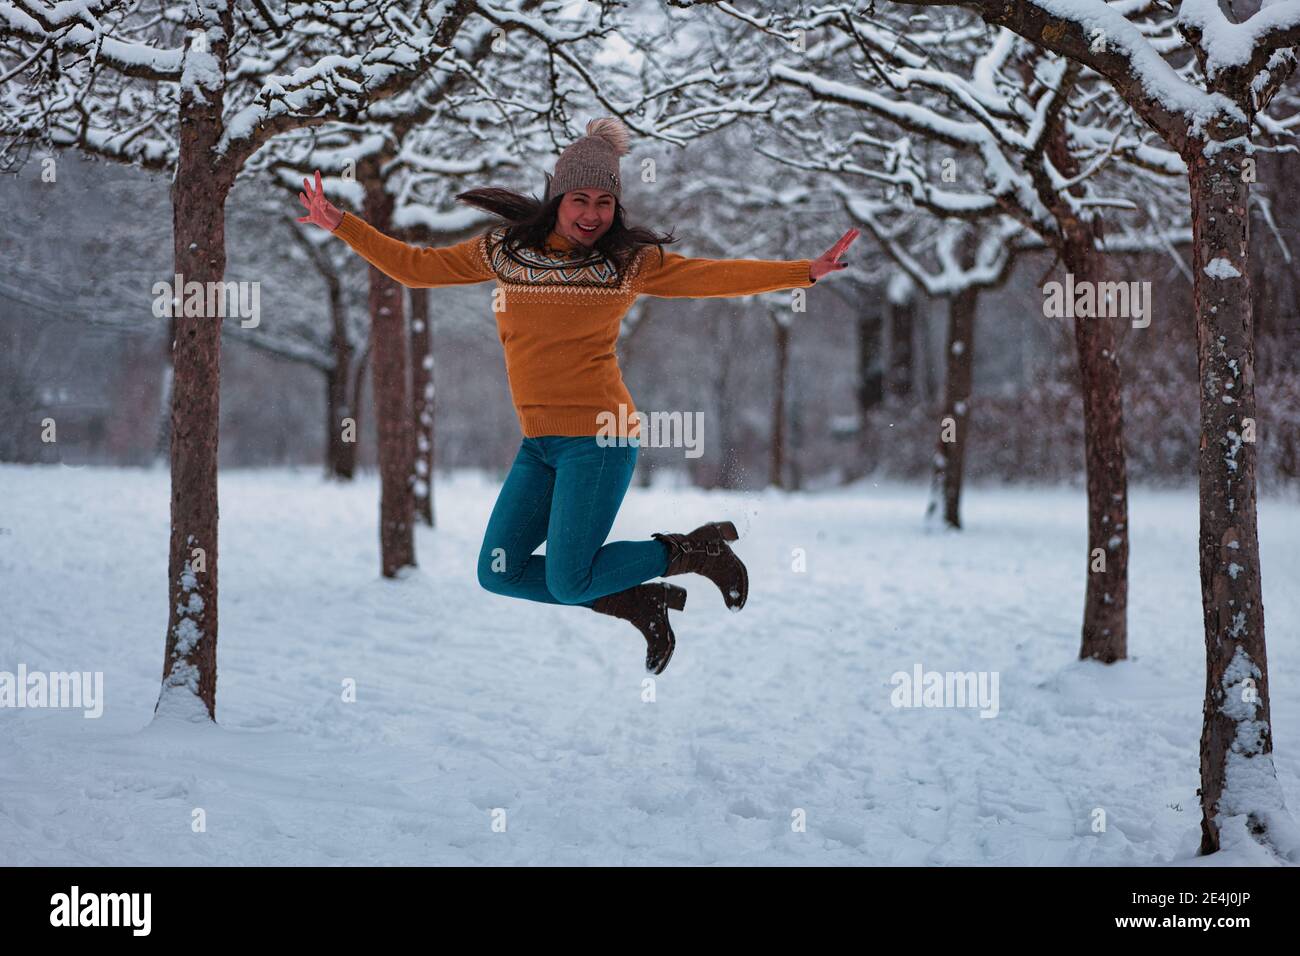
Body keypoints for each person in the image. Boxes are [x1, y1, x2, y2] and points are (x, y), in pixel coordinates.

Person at [298, 117, 856, 675]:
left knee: (569, 579)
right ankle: (637, 599)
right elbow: (415, 269)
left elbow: (711, 275)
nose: (592, 214)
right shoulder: (504, 252)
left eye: (605, 202)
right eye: (580, 199)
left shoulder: (627, 264)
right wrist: (342, 223)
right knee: (500, 571)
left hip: (601, 437)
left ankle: (695, 551)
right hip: (538, 443)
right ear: (557, 198)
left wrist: (803, 271)